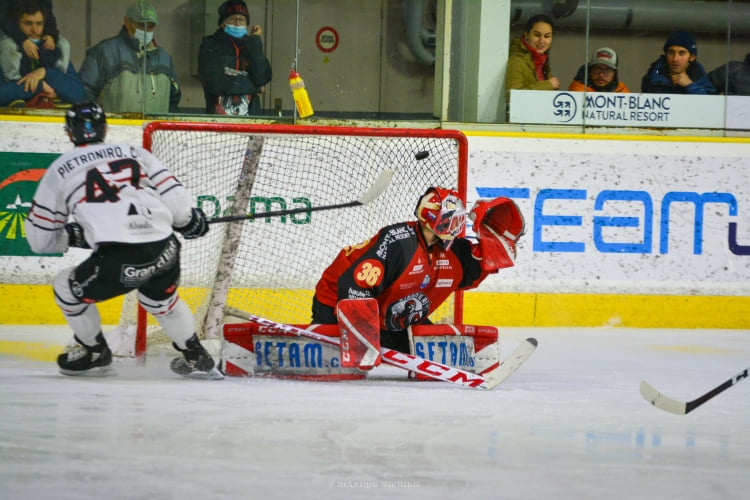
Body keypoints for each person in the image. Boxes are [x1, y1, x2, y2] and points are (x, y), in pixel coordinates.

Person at [24, 101, 222, 380]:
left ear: (69, 133)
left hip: (119, 259)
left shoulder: (60, 170)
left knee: (64, 287)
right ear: (105, 128)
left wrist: (70, 236)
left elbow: (40, 241)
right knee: (161, 302)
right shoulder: (134, 152)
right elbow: (177, 203)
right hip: (165, 248)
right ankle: (195, 355)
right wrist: (189, 221)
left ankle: (94, 352)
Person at [311, 187, 525, 354]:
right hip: (336, 303)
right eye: (453, 218)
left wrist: (491, 231)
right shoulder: (399, 243)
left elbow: (484, 261)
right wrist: (363, 338)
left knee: (433, 351)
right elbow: (355, 286)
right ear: (434, 219)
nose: (458, 224)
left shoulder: (452, 252)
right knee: (337, 360)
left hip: (391, 318)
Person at [77, 0, 181, 114]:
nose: (146, 31)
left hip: (154, 130)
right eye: (142, 25)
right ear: (127, 22)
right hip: (115, 130)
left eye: (151, 26)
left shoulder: (164, 59)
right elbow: (83, 94)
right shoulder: (104, 53)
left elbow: (174, 99)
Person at [0, 0, 82, 107]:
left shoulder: (52, 50)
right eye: (28, 23)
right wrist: (40, 85)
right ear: (16, 25)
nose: (34, 30)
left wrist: (46, 73)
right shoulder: (5, 51)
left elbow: (78, 93)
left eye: (39, 24)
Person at [198, 0, 272, 116]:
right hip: (217, 117)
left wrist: (255, 43)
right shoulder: (211, 44)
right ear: (222, 23)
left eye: (241, 19)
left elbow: (263, 77)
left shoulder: (251, 46)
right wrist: (255, 88)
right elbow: (214, 81)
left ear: (246, 24)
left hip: (251, 116)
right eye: (232, 19)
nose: (237, 22)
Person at [0, 0, 69, 81]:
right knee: (8, 46)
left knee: (63, 44)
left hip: (37, 32)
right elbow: (3, 19)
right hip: (11, 31)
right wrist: (23, 40)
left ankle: (58, 78)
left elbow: (49, 16)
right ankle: (14, 80)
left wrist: (50, 35)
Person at [641, 30, 716, 94]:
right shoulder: (653, 77)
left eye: (682, 53)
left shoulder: (698, 74)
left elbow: (711, 105)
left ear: (692, 57)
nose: (675, 59)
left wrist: (690, 85)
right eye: (671, 53)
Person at [505, 14, 560, 101]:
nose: (541, 41)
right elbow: (512, 96)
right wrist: (548, 85)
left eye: (547, 36)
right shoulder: (516, 60)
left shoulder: (542, 61)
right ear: (526, 35)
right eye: (537, 35)